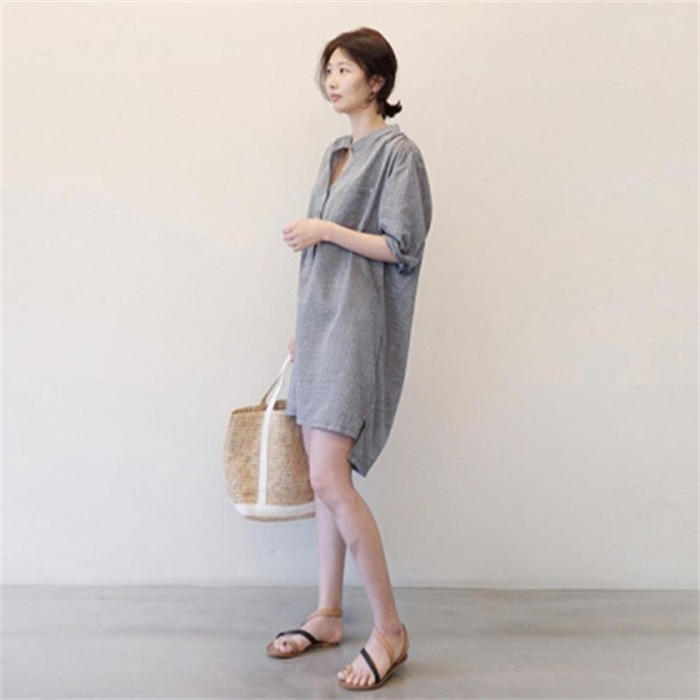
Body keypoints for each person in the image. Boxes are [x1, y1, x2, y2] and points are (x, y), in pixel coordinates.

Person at [267, 27, 432, 692]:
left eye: (345, 69)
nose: (332, 80)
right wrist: (301, 328)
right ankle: (329, 613)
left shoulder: (399, 155)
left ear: (377, 81)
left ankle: (389, 629)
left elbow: (402, 246)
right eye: (328, 69)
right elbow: (317, 261)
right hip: (320, 328)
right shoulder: (336, 152)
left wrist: (327, 230)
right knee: (321, 481)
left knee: (331, 478)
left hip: (357, 331)